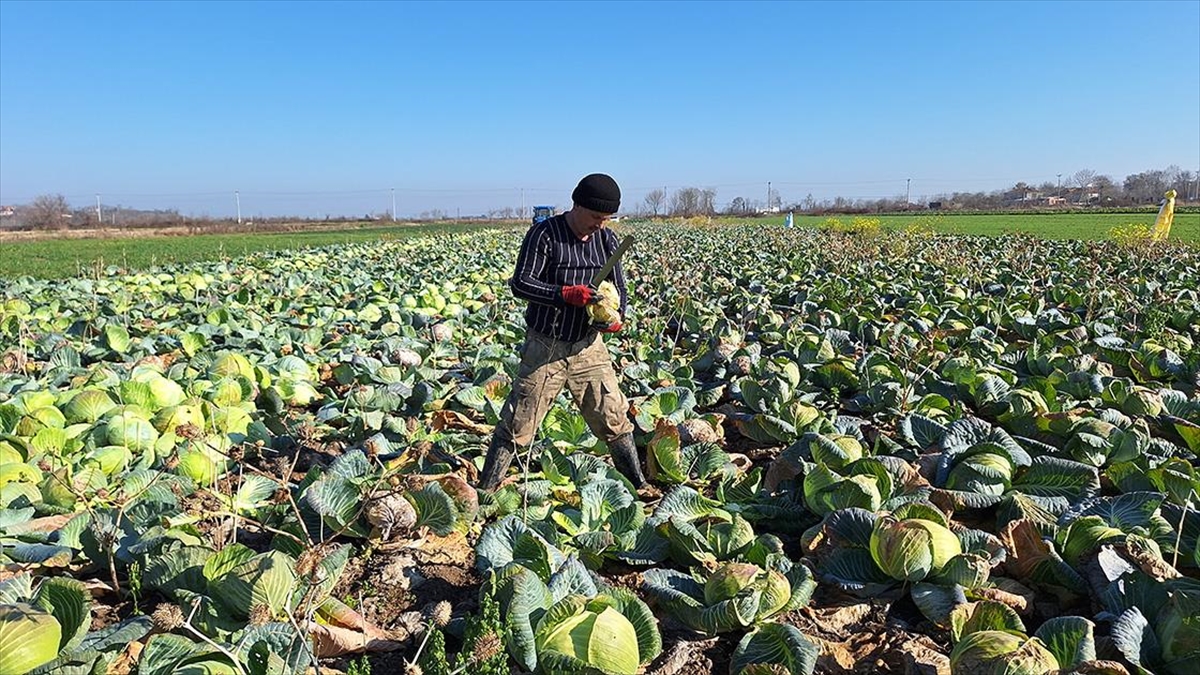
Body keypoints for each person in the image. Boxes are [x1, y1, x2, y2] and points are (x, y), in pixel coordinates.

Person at [477, 173, 651, 494]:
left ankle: (638, 485)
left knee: (613, 416)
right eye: (596, 216)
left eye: (606, 218)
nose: (600, 224)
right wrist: (563, 294)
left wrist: (616, 318)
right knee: (519, 423)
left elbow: (621, 290)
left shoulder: (608, 242)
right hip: (547, 346)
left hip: (588, 347)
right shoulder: (544, 235)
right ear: (576, 205)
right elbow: (521, 283)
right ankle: (485, 490)